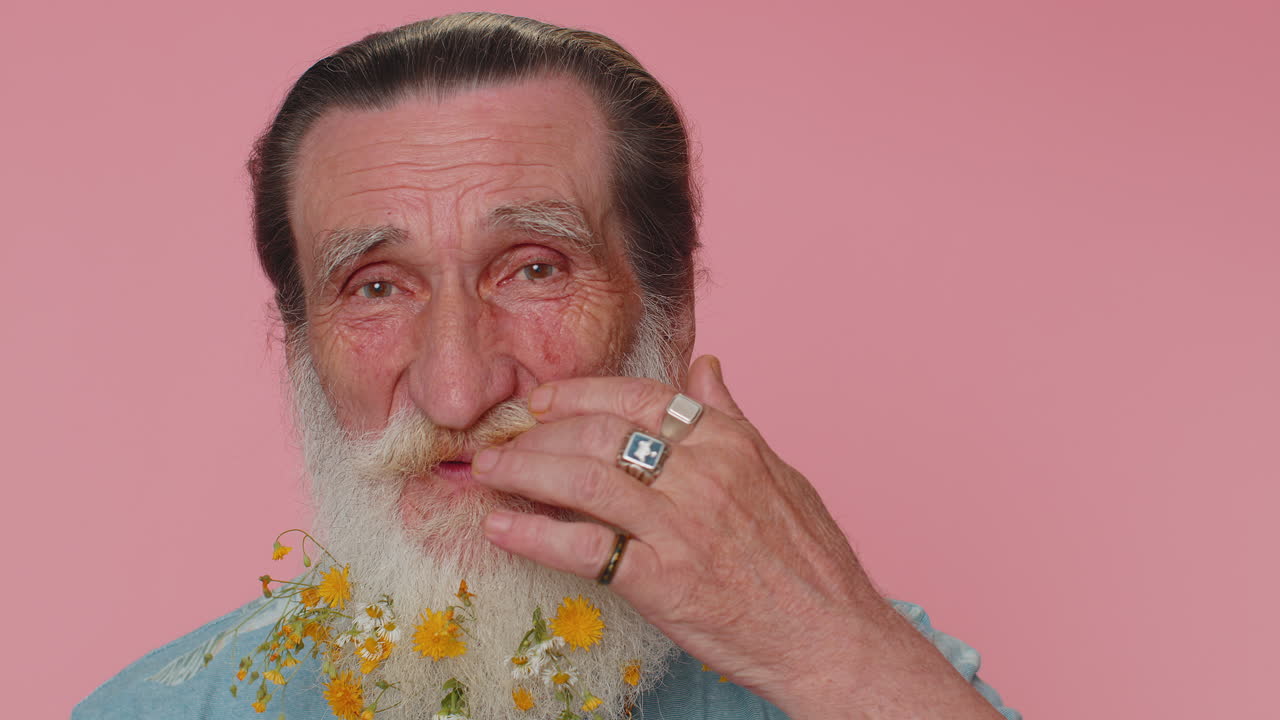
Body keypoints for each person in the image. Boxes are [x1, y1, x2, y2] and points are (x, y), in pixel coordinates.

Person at [75, 12, 1019, 720]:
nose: (457, 390)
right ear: (301, 342)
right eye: (375, 287)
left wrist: (833, 650)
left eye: (534, 268)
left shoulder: (870, 672)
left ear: (668, 310)